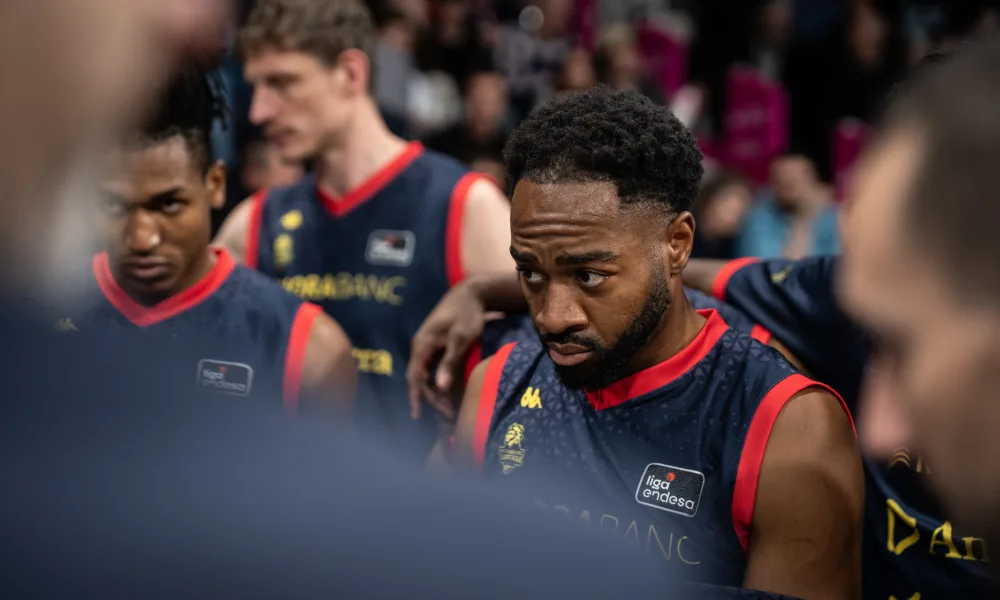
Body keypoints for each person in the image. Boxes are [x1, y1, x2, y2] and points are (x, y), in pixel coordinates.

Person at [448, 86, 863, 598]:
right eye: (530, 273)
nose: (553, 317)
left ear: (677, 244)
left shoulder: (786, 427)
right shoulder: (498, 383)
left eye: (590, 276)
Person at [214, 0, 514, 459]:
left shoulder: (465, 204)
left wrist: (485, 292)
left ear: (350, 73)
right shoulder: (254, 222)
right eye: (256, 86)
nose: (259, 111)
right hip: (288, 493)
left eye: (282, 82)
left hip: (420, 496)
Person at [64, 66, 356, 411]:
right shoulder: (37, 312)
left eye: (169, 205)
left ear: (215, 184)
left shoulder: (306, 351)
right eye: (113, 205)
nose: (142, 239)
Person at [736, 152, 840, 259]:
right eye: (782, 181)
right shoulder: (759, 218)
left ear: (814, 182)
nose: (789, 190)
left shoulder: (834, 218)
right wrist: (802, 221)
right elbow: (770, 266)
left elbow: (838, 263)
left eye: (795, 181)